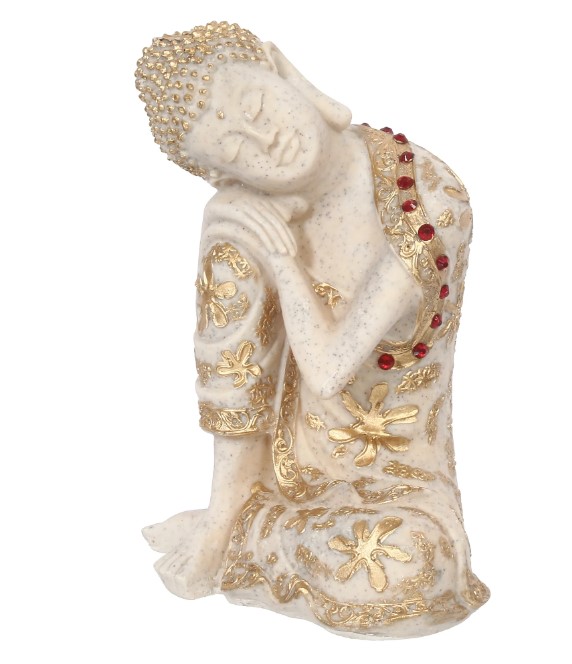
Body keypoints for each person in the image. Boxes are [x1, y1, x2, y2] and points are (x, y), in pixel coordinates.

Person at [136, 21, 488, 638]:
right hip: (290, 470)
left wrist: (284, 262)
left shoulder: (427, 199)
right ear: (222, 175)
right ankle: (226, 515)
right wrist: (234, 227)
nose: (263, 140)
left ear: (284, 71)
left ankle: (247, 532)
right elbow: (237, 366)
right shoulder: (250, 215)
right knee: (233, 238)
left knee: (413, 568)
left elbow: (326, 370)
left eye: (256, 105)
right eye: (235, 153)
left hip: (399, 484)